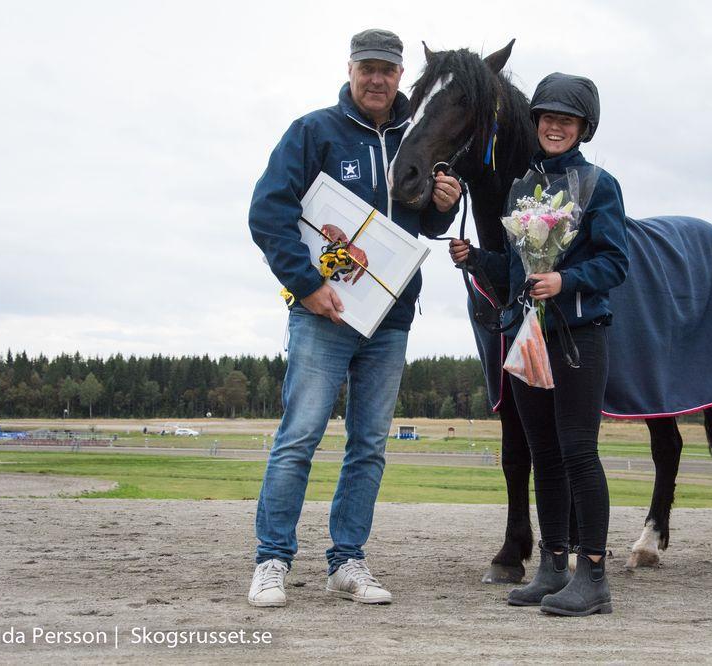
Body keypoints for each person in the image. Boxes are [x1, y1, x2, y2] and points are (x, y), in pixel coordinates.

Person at [247, 28, 461, 608]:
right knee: (299, 438)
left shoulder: (417, 140)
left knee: (368, 445)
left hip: (391, 323)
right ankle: (272, 559)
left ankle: (347, 560)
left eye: (386, 71)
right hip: (323, 314)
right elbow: (268, 212)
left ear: (398, 78)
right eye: (366, 68)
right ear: (349, 69)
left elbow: (423, 227)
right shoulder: (313, 131)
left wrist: (446, 205)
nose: (376, 79)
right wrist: (307, 284)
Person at [450, 72, 628, 616]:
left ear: (583, 128)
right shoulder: (521, 190)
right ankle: (552, 567)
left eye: (566, 119)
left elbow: (615, 262)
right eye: (547, 117)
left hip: (577, 335)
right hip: (525, 335)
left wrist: (564, 282)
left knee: (577, 449)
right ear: (536, 123)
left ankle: (592, 573)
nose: (555, 126)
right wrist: (476, 257)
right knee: (544, 454)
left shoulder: (600, 185)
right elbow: (516, 268)